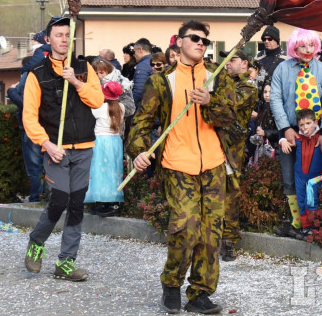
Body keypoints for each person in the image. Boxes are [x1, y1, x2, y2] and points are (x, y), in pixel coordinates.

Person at [128, 20, 230, 314]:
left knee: (211, 235)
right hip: (177, 164)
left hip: (213, 165)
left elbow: (232, 118)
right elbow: (142, 123)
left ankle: (199, 293)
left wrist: (211, 101)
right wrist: (138, 151)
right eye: (195, 38)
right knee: (186, 227)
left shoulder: (216, 77)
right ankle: (171, 283)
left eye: (205, 41)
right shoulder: (162, 81)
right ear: (180, 42)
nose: (201, 44)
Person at [22, 16, 104, 281]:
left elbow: (97, 100)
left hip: (84, 147)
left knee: (77, 205)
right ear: (48, 40)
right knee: (59, 201)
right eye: (59, 35)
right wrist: (46, 144)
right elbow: (29, 117)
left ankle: (65, 263)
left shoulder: (83, 67)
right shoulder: (38, 74)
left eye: (68, 35)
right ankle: (36, 242)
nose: (64, 40)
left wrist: (76, 82)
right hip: (55, 150)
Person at [270, 28, 322, 238]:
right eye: (302, 46)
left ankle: (315, 222)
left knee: (313, 180)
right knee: (291, 179)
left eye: (311, 45)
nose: (307, 50)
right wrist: (285, 128)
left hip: (316, 135)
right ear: (294, 47)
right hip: (290, 133)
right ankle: (297, 223)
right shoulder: (282, 68)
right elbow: (275, 98)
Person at [214, 49, 257, 262]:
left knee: (230, 193)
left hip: (231, 149)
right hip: (211, 143)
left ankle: (229, 240)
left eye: (234, 59)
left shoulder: (247, 87)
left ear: (245, 64)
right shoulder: (221, 83)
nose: (228, 63)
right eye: (227, 60)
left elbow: (227, 105)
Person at [279, 109, 322, 240]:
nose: (305, 127)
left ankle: (314, 227)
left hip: (315, 178)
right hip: (299, 176)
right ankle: (305, 227)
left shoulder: (320, 138)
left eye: (308, 123)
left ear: (316, 123)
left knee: (312, 201)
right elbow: (283, 138)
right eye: (301, 125)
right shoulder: (298, 138)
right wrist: (283, 141)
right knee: (301, 201)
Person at [84, 81, 125, 217]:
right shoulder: (121, 107)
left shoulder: (98, 108)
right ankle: (113, 201)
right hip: (115, 141)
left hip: (100, 141)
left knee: (99, 171)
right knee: (114, 170)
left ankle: (100, 201)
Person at [8, 56, 44, 202]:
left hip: (31, 128)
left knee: (34, 166)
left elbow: (25, 103)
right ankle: (42, 195)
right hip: (44, 126)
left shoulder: (29, 76)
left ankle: (37, 197)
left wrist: (11, 91)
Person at [131, 38, 153, 107]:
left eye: (134, 52)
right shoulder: (155, 61)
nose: (134, 55)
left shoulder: (143, 65)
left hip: (143, 108)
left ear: (140, 50)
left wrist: (131, 105)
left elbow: (139, 90)